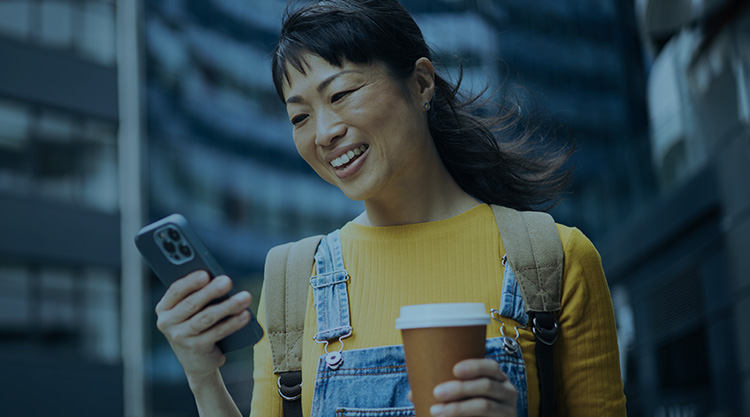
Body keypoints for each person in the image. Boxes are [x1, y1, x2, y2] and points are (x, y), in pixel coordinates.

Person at [154, 1, 627, 416]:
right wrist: (202, 375)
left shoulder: (554, 259)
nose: (323, 133)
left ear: (421, 83)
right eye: (299, 116)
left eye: (340, 95)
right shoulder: (292, 279)